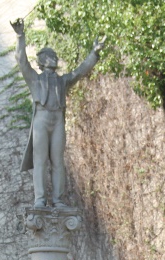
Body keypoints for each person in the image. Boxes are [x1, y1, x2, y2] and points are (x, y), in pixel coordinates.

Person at [11, 17, 103, 208]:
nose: (55, 58)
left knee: (58, 161)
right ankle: (40, 199)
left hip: (57, 120)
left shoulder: (63, 81)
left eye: (54, 55)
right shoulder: (35, 79)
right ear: (42, 60)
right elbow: (21, 61)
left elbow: (80, 71)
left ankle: (58, 199)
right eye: (51, 55)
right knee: (40, 161)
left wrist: (94, 53)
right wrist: (20, 36)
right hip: (41, 120)